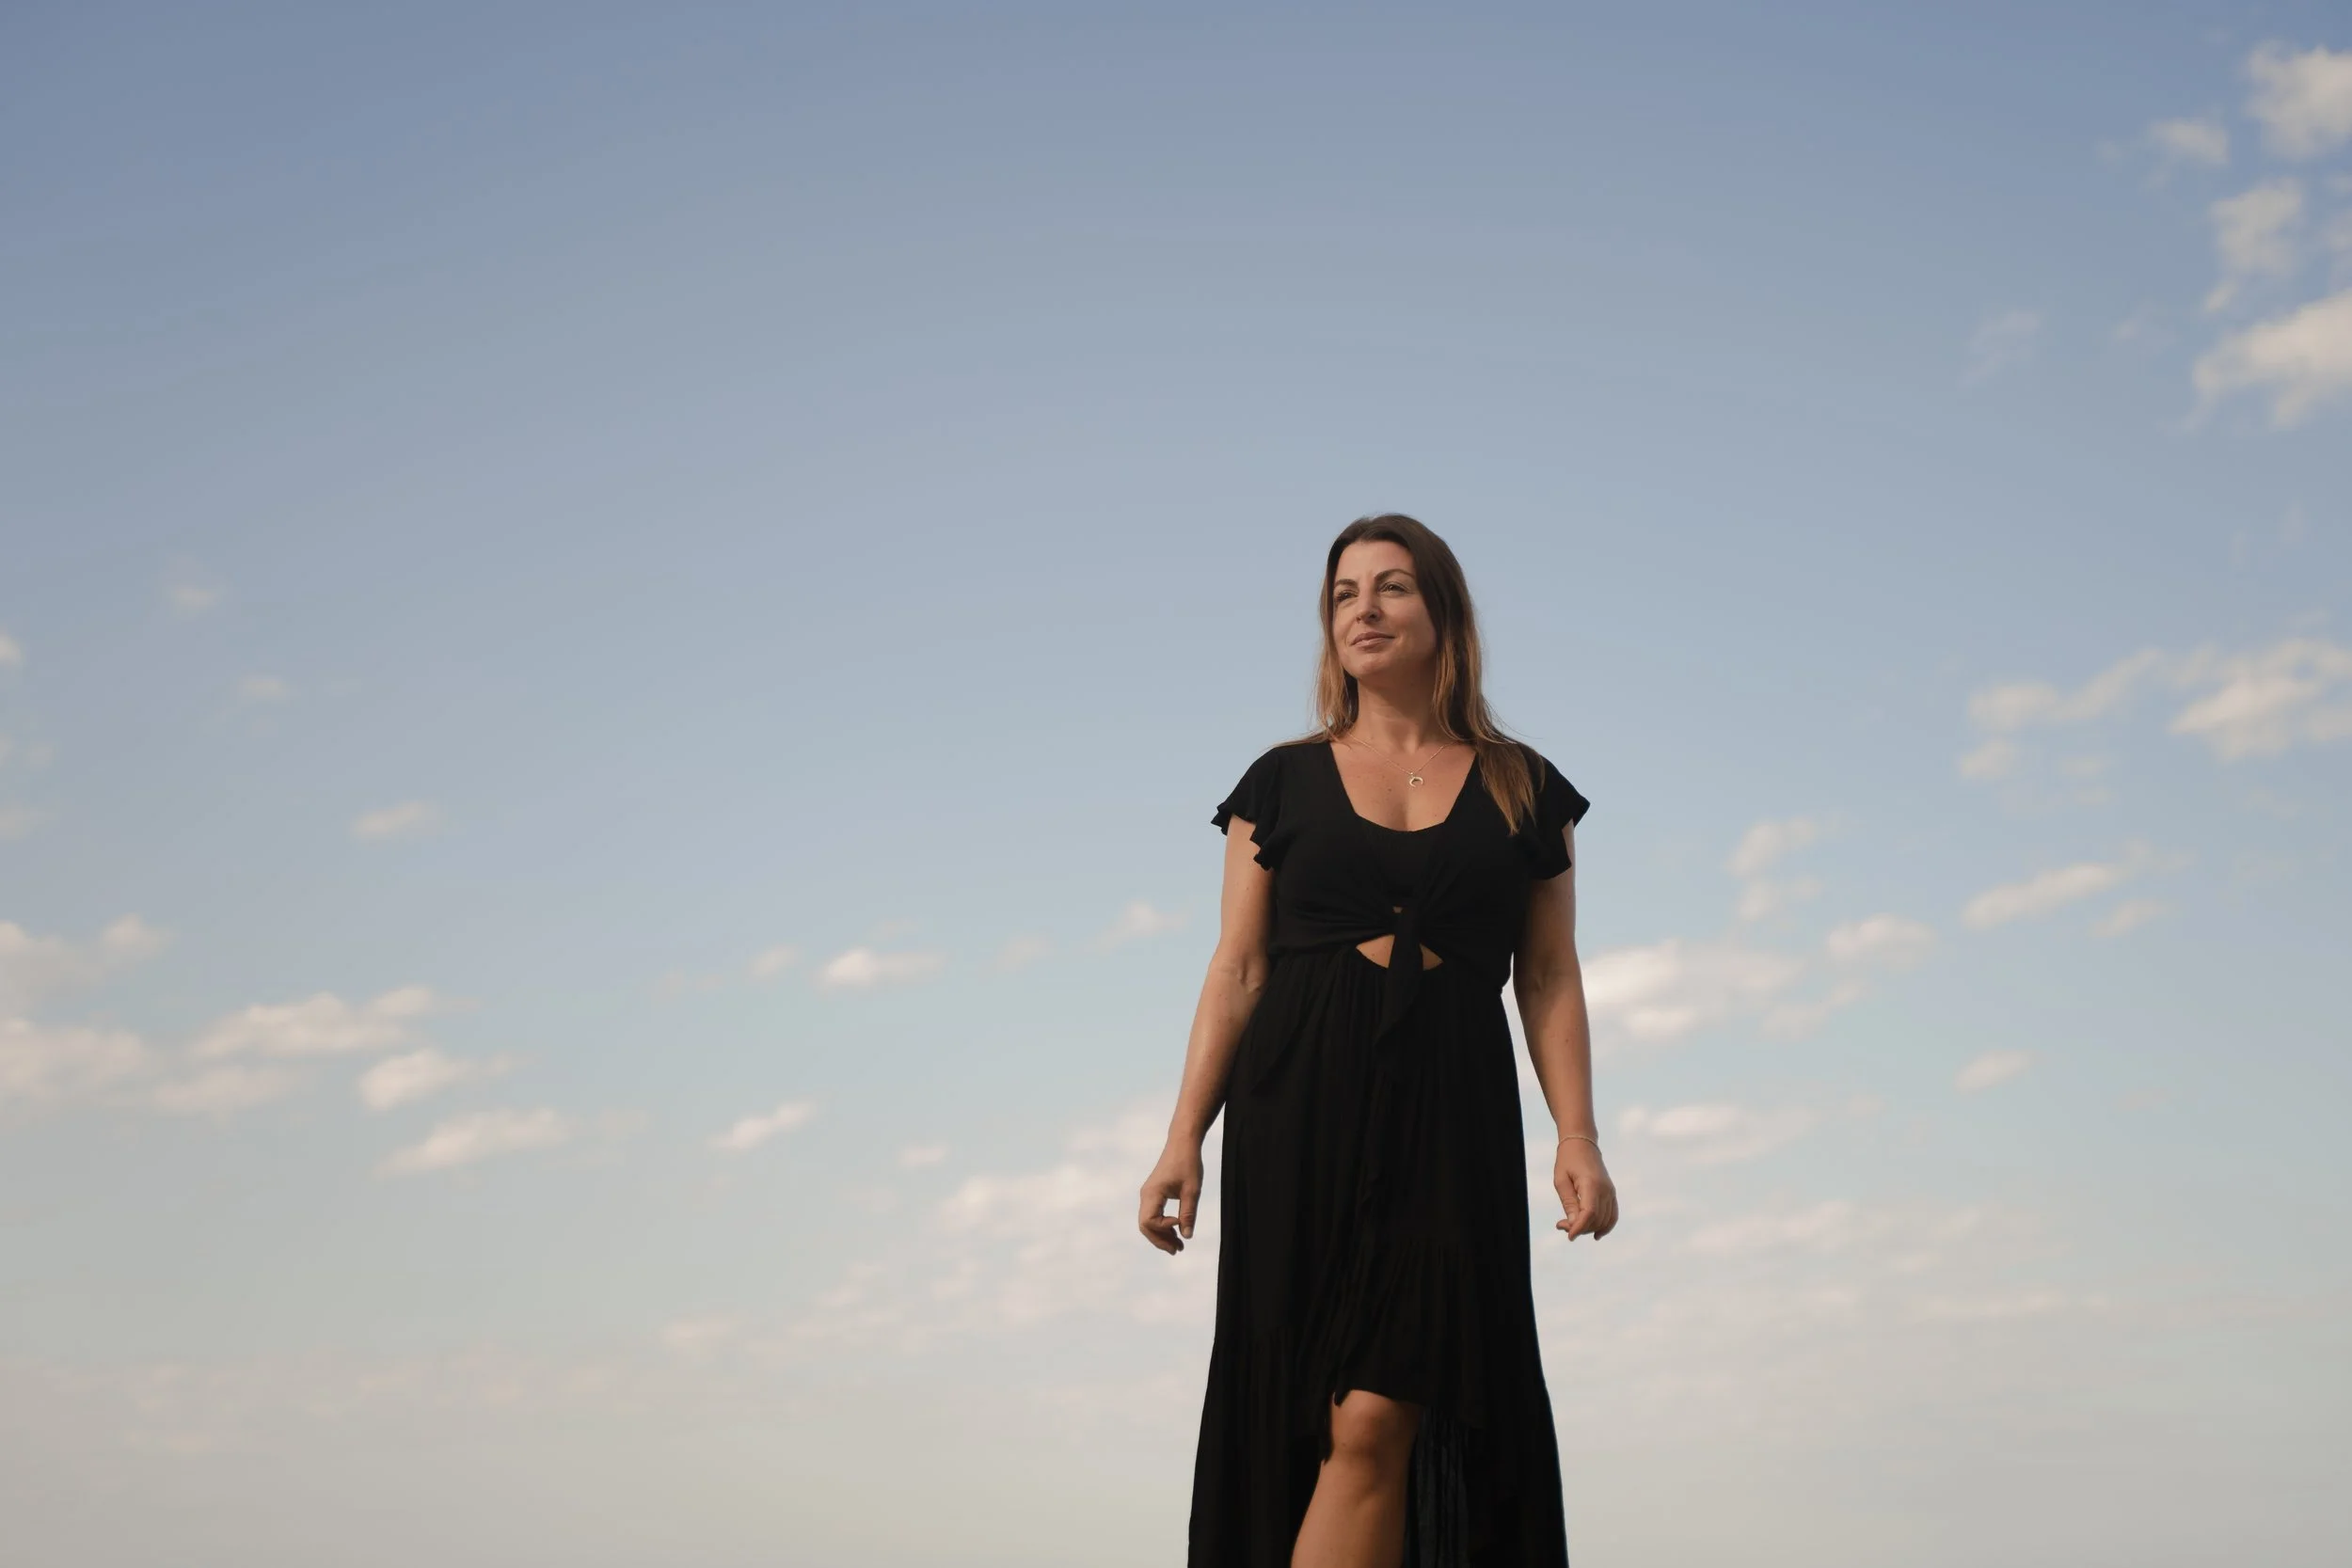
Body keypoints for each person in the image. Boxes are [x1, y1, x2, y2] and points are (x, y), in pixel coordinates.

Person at [1138, 513, 1617, 1568]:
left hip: (1452, 1109)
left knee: (1380, 1410)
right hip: (1297, 1103)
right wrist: (1185, 1137)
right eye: (1346, 592)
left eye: (1393, 586)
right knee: (1307, 1414)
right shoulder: (1279, 780)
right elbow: (1238, 966)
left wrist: (1576, 1132)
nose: (1365, 608)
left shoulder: (1521, 784)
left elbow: (1545, 973)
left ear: (1443, 615)